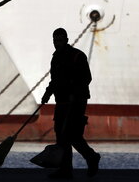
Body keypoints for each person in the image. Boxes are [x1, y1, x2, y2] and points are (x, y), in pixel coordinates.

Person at [41, 28, 100, 179]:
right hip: (61, 101)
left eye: (60, 40)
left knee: (72, 135)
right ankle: (65, 170)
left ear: (66, 40)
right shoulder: (56, 58)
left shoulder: (77, 56)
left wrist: (74, 91)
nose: (57, 43)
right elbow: (55, 80)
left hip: (76, 102)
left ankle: (91, 157)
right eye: (55, 41)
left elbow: (86, 78)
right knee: (61, 135)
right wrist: (47, 93)